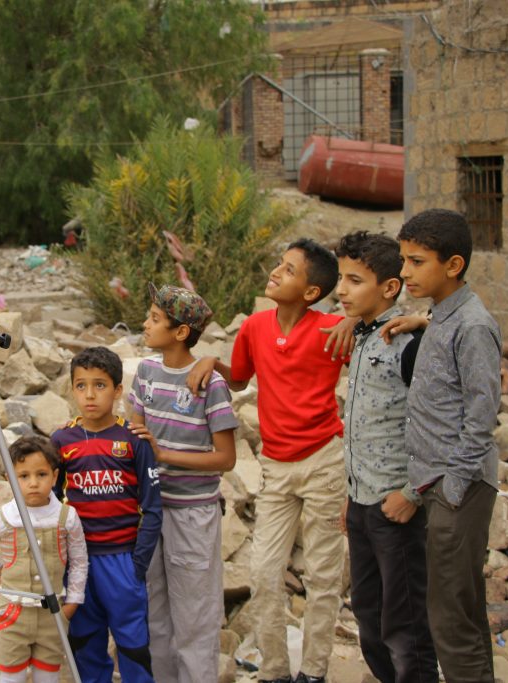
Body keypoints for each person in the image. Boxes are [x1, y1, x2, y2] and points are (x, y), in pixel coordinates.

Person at [189, 239, 350, 683]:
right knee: (262, 572)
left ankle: (314, 672)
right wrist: (211, 361)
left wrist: (356, 319)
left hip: (323, 462)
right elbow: (239, 380)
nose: (277, 272)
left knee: (322, 574)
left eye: (290, 270)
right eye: (279, 264)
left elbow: (381, 337)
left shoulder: (333, 329)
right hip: (275, 466)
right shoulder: (256, 327)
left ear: (312, 292)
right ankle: (276, 671)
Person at [394, 209, 501, 683]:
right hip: (437, 483)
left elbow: (482, 415)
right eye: (404, 260)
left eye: (417, 262)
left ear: (453, 264)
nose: (404, 273)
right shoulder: (442, 314)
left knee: (449, 621)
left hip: (458, 485)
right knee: (464, 610)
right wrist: (418, 321)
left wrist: (453, 487)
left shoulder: (473, 326)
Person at [334, 232, 438, 683]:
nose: (341, 290)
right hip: (362, 503)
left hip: (397, 507)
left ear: (389, 288)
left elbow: (437, 425)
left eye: (355, 280)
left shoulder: (408, 340)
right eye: (340, 279)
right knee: (369, 618)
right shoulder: (361, 336)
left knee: (406, 624)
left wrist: (413, 493)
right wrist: (352, 496)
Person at [126, 283, 238, 683]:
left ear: (180, 332)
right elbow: (137, 437)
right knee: (155, 614)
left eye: (155, 319)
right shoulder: (146, 373)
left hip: (193, 515)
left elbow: (226, 458)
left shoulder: (211, 385)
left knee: (195, 618)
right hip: (151, 513)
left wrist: (165, 455)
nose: (145, 324)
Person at [51, 347, 162, 683]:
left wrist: (137, 564)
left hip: (122, 561)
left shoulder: (132, 440)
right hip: (79, 564)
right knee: (85, 643)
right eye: (81, 385)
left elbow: (153, 507)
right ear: (71, 389)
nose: (89, 395)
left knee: (133, 644)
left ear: (117, 391)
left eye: (100, 386)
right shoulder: (61, 440)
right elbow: (50, 504)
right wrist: (61, 560)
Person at [0, 435, 88, 683]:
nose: (33, 483)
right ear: (10, 479)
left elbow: (79, 561)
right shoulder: (4, 517)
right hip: (12, 614)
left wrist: (73, 602)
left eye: (41, 475)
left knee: (48, 676)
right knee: (11, 677)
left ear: (54, 477)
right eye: (23, 476)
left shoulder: (67, 517)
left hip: (52, 615)